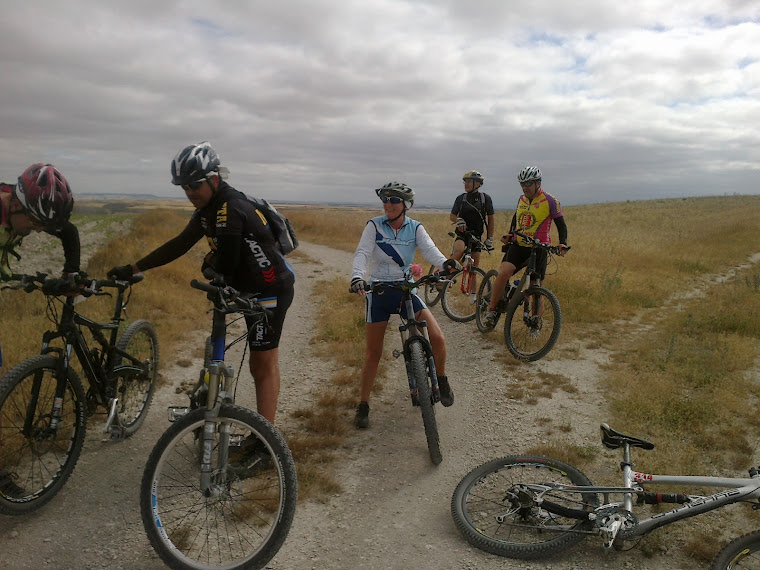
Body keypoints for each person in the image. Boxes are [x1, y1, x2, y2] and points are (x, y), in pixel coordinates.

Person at [108, 142, 295, 426]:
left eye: (195, 184)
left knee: (263, 364)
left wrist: (212, 267)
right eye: (184, 187)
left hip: (271, 289)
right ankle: (259, 433)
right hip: (249, 288)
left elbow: (228, 261)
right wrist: (134, 268)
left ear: (214, 179)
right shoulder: (210, 208)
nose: (190, 192)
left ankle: (265, 441)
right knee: (259, 364)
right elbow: (180, 244)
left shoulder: (229, 207)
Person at [350, 181, 459, 429]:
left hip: (405, 290)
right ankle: (363, 405)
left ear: (405, 205)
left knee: (438, 338)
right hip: (378, 291)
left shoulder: (415, 228)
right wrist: (357, 277)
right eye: (385, 199)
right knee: (374, 353)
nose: (388, 204)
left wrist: (445, 265)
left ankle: (440, 380)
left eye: (394, 200)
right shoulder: (374, 226)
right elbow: (362, 253)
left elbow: (431, 252)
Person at [0, 163, 78, 496]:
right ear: (16, 203)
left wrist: (71, 276)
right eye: (34, 223)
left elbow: (69, 232)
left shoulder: (26, 211)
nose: (36, 231)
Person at [482, 166, 569, 329]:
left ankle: (535, 324)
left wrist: (562, 242)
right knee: (503, 273)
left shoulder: (550, 200)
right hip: (519, 246)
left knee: (537, 288)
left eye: (528, 183)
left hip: (539, 249)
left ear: (538, 183)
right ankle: (492, 311)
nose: (525, 187)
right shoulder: (521, 199)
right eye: (522, 184)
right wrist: (510, 235)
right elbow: (517, 219)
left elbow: (561, 225)